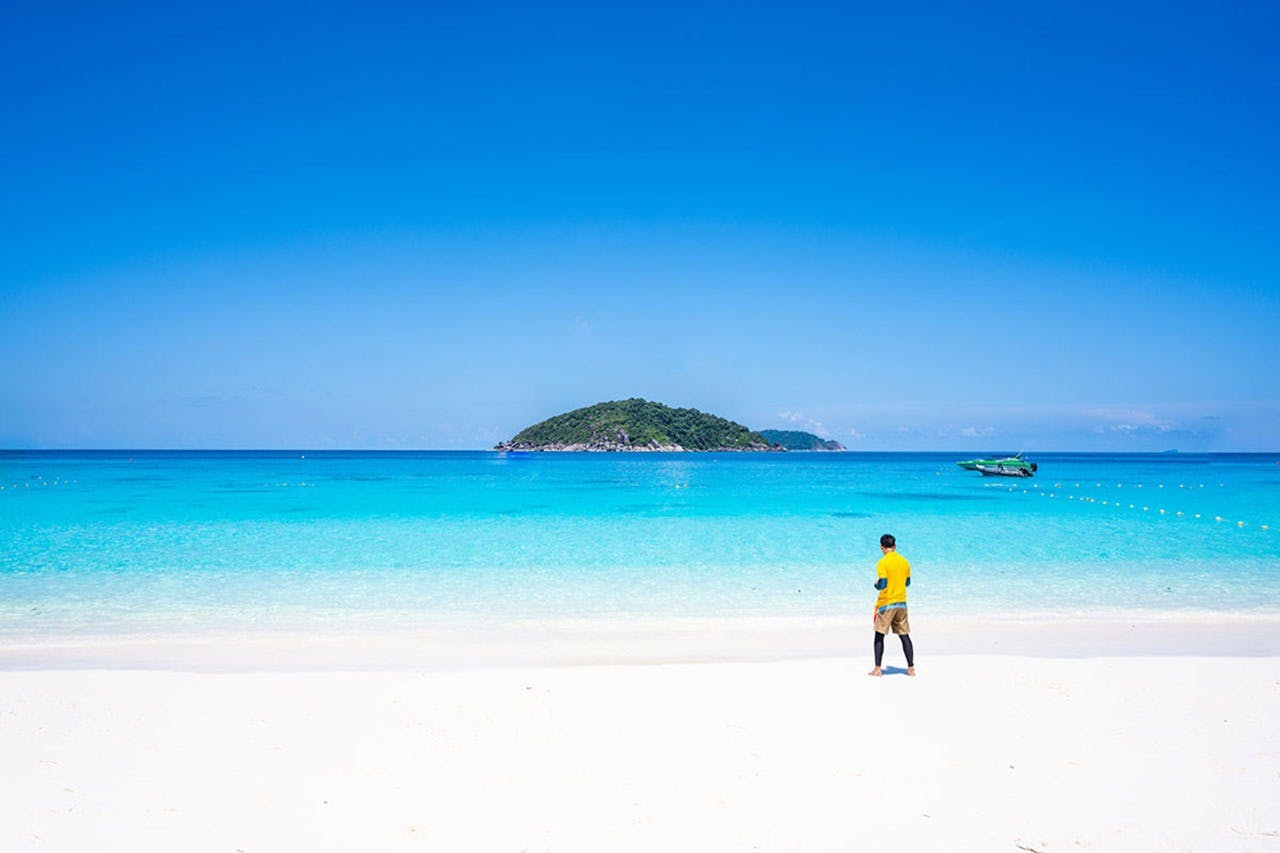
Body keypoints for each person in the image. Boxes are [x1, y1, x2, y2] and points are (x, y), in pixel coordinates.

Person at [868, 533, 915, 677]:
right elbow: (908, 583)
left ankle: (877, 669)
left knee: (879, 635)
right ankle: (911, 669)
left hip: (887, 604)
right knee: (904, 635)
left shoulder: (882, 563)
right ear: (894, 546)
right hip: (902, 603)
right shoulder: (905, 562)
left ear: (882, 547)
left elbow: (883, 584)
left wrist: (876, 585)